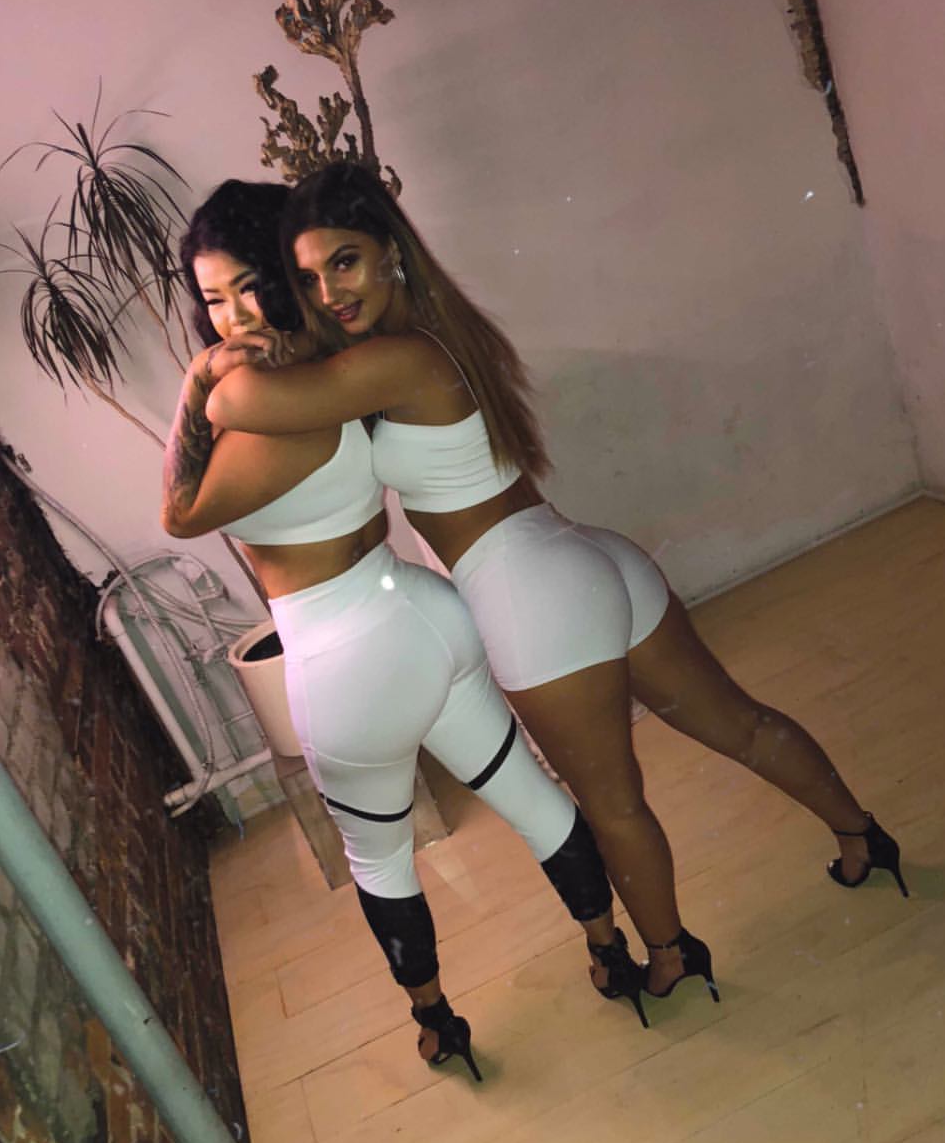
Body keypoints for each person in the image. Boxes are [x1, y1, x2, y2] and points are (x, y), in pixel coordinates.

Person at [203, 162, 908, 1014]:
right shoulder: (438, 332)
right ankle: (863, 835)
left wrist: (208, 370)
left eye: (343, 262)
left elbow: (234, 405)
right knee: (741, 723)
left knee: (614, 807)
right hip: (585, 557)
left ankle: (671, 957)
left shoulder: (394, 359)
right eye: (310, 277)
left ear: (390, 251)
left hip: (532, 598)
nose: (328, 293)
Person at [161, 179, 651, 1085]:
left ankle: (437, 1024)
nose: (230, 318)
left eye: (246, 289)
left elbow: (179, 510)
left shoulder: (262, 407)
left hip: (342, 660)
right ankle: (608, 950)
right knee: (531, 797)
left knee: (380, 859)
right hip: (425, 616)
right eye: (211, 300)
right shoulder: (343, 374)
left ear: (282, 276)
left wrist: (197, 381)